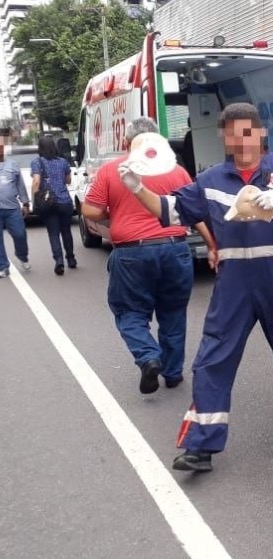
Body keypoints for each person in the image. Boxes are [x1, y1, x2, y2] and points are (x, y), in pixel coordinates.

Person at [118, 102, 273, 473]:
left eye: (247, 132)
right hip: (234, 282)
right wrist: (136, 188)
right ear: (223, 138)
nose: (240, 140)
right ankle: (201, 446)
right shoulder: (211, 179)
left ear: (260, 133)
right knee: (212, 358)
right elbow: (171, 212)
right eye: (232, 133)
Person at [81, 117, 215, 395]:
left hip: (132, 253)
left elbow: (89, 211)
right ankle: (173, 373)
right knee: (173, 312)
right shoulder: (176, 170)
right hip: (175, 248)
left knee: (130, 312)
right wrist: (212, 244)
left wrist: (114, 212)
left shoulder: (112, 169)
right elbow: (194, 211)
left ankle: (148, 357)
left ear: (128, 144)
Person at [31, 135, 76, 275]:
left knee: (53, 233)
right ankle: (71, 259)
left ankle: (59, 262)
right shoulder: (63, 162)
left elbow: (36, 182)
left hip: (48, 202)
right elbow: (68, 181)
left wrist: (34, 199)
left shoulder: (37, 162)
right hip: (64, 201)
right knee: (66, 231)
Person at [0, 131, 30, 277]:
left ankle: (22, 255)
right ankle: (3, 266)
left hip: (12, 209)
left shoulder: (13, 165)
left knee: (20, 234)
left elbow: (21, 186)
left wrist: (25, 203)